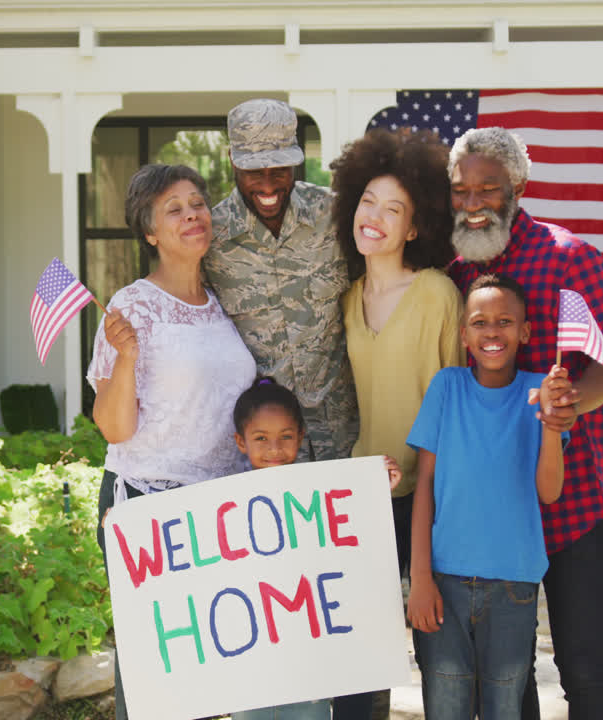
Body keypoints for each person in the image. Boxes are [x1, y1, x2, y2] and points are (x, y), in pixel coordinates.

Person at [445, 127, 603, 719]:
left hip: (571, 495)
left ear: (517, 187)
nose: (473, 204)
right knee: (507, 672)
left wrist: (569, 403)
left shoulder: (569, 255)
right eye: (461, 191)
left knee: (581, 666)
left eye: (488, 190)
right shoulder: (453, 272)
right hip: (498, 505)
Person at [202, 99, 374, 720]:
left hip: (337, 448)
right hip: (261, 464)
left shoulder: (337, 218)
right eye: (255, 171)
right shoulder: (211, 235)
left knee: (351, 614)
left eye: (281, 168)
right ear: (233, 162)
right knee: (276, 615)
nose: (269, 185)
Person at [88, 163, 257, 720]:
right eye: (174, 209)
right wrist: (128, 357)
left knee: (211, 674)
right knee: (155, 676)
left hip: (216, 511)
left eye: (197, 203)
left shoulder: (221, 303)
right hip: (148, 501)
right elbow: (114, 428)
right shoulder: (131, 307)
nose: (192, 215)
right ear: (151, 232)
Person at [406, 273, 569, 719]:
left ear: (525, 331)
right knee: (446, 707)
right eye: (479, 322)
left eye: (504, 321)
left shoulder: (541, 391)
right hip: (444, 584)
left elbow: (549, 493)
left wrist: (552, 426)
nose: (492, 332)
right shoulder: (447, 387)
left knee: (504, 708)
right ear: (464, 335)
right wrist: (419, 578)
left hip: (513, 587)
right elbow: (425, 488)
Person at [329, 127, 462, 582]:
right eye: (368, 201)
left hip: (429, 487)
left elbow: (459, 397)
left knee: (428, 631)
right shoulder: (348, 299)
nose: (375, 216)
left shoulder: (437, 293)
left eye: (393, 209)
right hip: (365, 485)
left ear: (415, 227)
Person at [228, 377, 401, 720]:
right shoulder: (225, 502)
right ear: (240, 441)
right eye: (261, 438)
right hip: (253, 667)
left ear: (301, 437)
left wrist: (376, 489)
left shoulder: (318, 497)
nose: (274, 448)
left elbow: (352, 544)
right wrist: (131, 524)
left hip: (309, 664)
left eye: (285, 437)